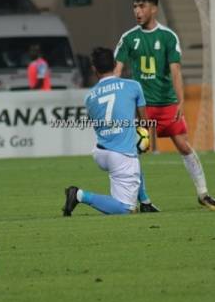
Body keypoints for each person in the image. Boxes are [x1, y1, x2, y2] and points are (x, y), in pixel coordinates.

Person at [114, 0, 215, 210]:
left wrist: (180, 101)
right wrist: (117, 100)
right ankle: (138, 200)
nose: (137, 11)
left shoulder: (168, 37)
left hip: (166, 103)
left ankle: (203, 193)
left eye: (142, 6)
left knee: (183, 146)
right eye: (135, 7)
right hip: (141, 106)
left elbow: (176, 71)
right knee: (132, 152)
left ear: (154, 8)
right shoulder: (128, 38)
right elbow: (117, 71)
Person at [63, 48, 153, 216]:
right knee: (126, 209)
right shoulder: (133, 86)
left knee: (133, 153)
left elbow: (98, 124)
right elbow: (145, 122)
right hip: (121, 156)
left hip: (100, 153)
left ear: (94, 69)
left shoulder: (89, 97)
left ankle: (146, 202)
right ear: (115, 64)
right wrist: (144, 138)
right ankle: (79, 195)